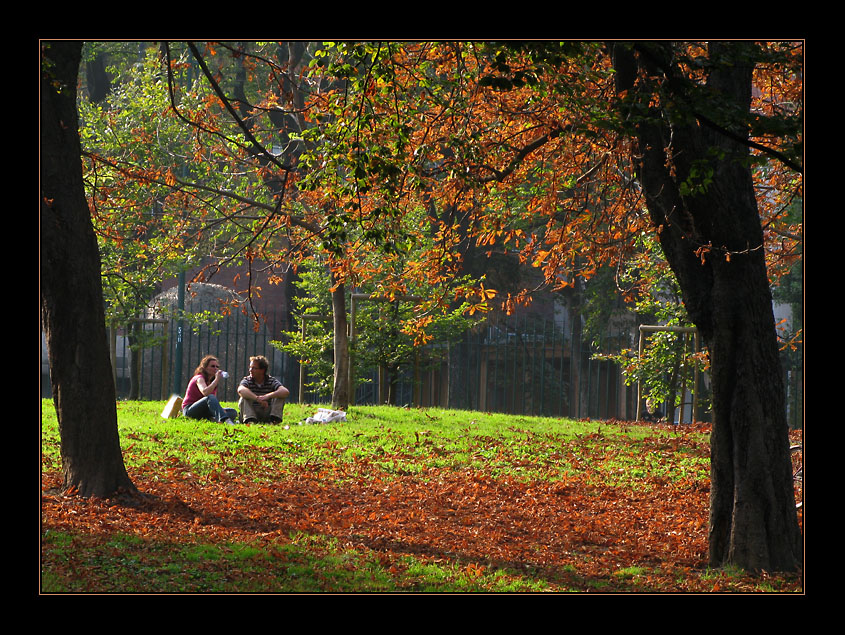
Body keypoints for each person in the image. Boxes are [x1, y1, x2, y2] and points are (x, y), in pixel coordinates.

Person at [182, 355, 238, 425]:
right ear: (205, 368)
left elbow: (212, 402)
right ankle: (225, 420)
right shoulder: (199, 378)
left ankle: (214, 418)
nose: (215, 368)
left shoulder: (212, 382)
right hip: (190, 409)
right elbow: (205, 392)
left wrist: (220, 409)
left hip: (205, 410)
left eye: (217, 367)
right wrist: (217, 379)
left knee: (232, 412)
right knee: (210, 397)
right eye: (212, 366)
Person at [237, 355, 290, 424]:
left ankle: (274, 420)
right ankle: (250, 421)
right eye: (250, 367)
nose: (250, 370)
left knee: (280, 396)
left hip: (266, 411)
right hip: (252, 410)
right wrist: (257, 399)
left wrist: (268, 396)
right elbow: (241, 390)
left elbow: (285, 392)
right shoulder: (247, 380)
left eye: (254, 368)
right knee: (243, 398)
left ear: (262, 370)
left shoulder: (271, 380)